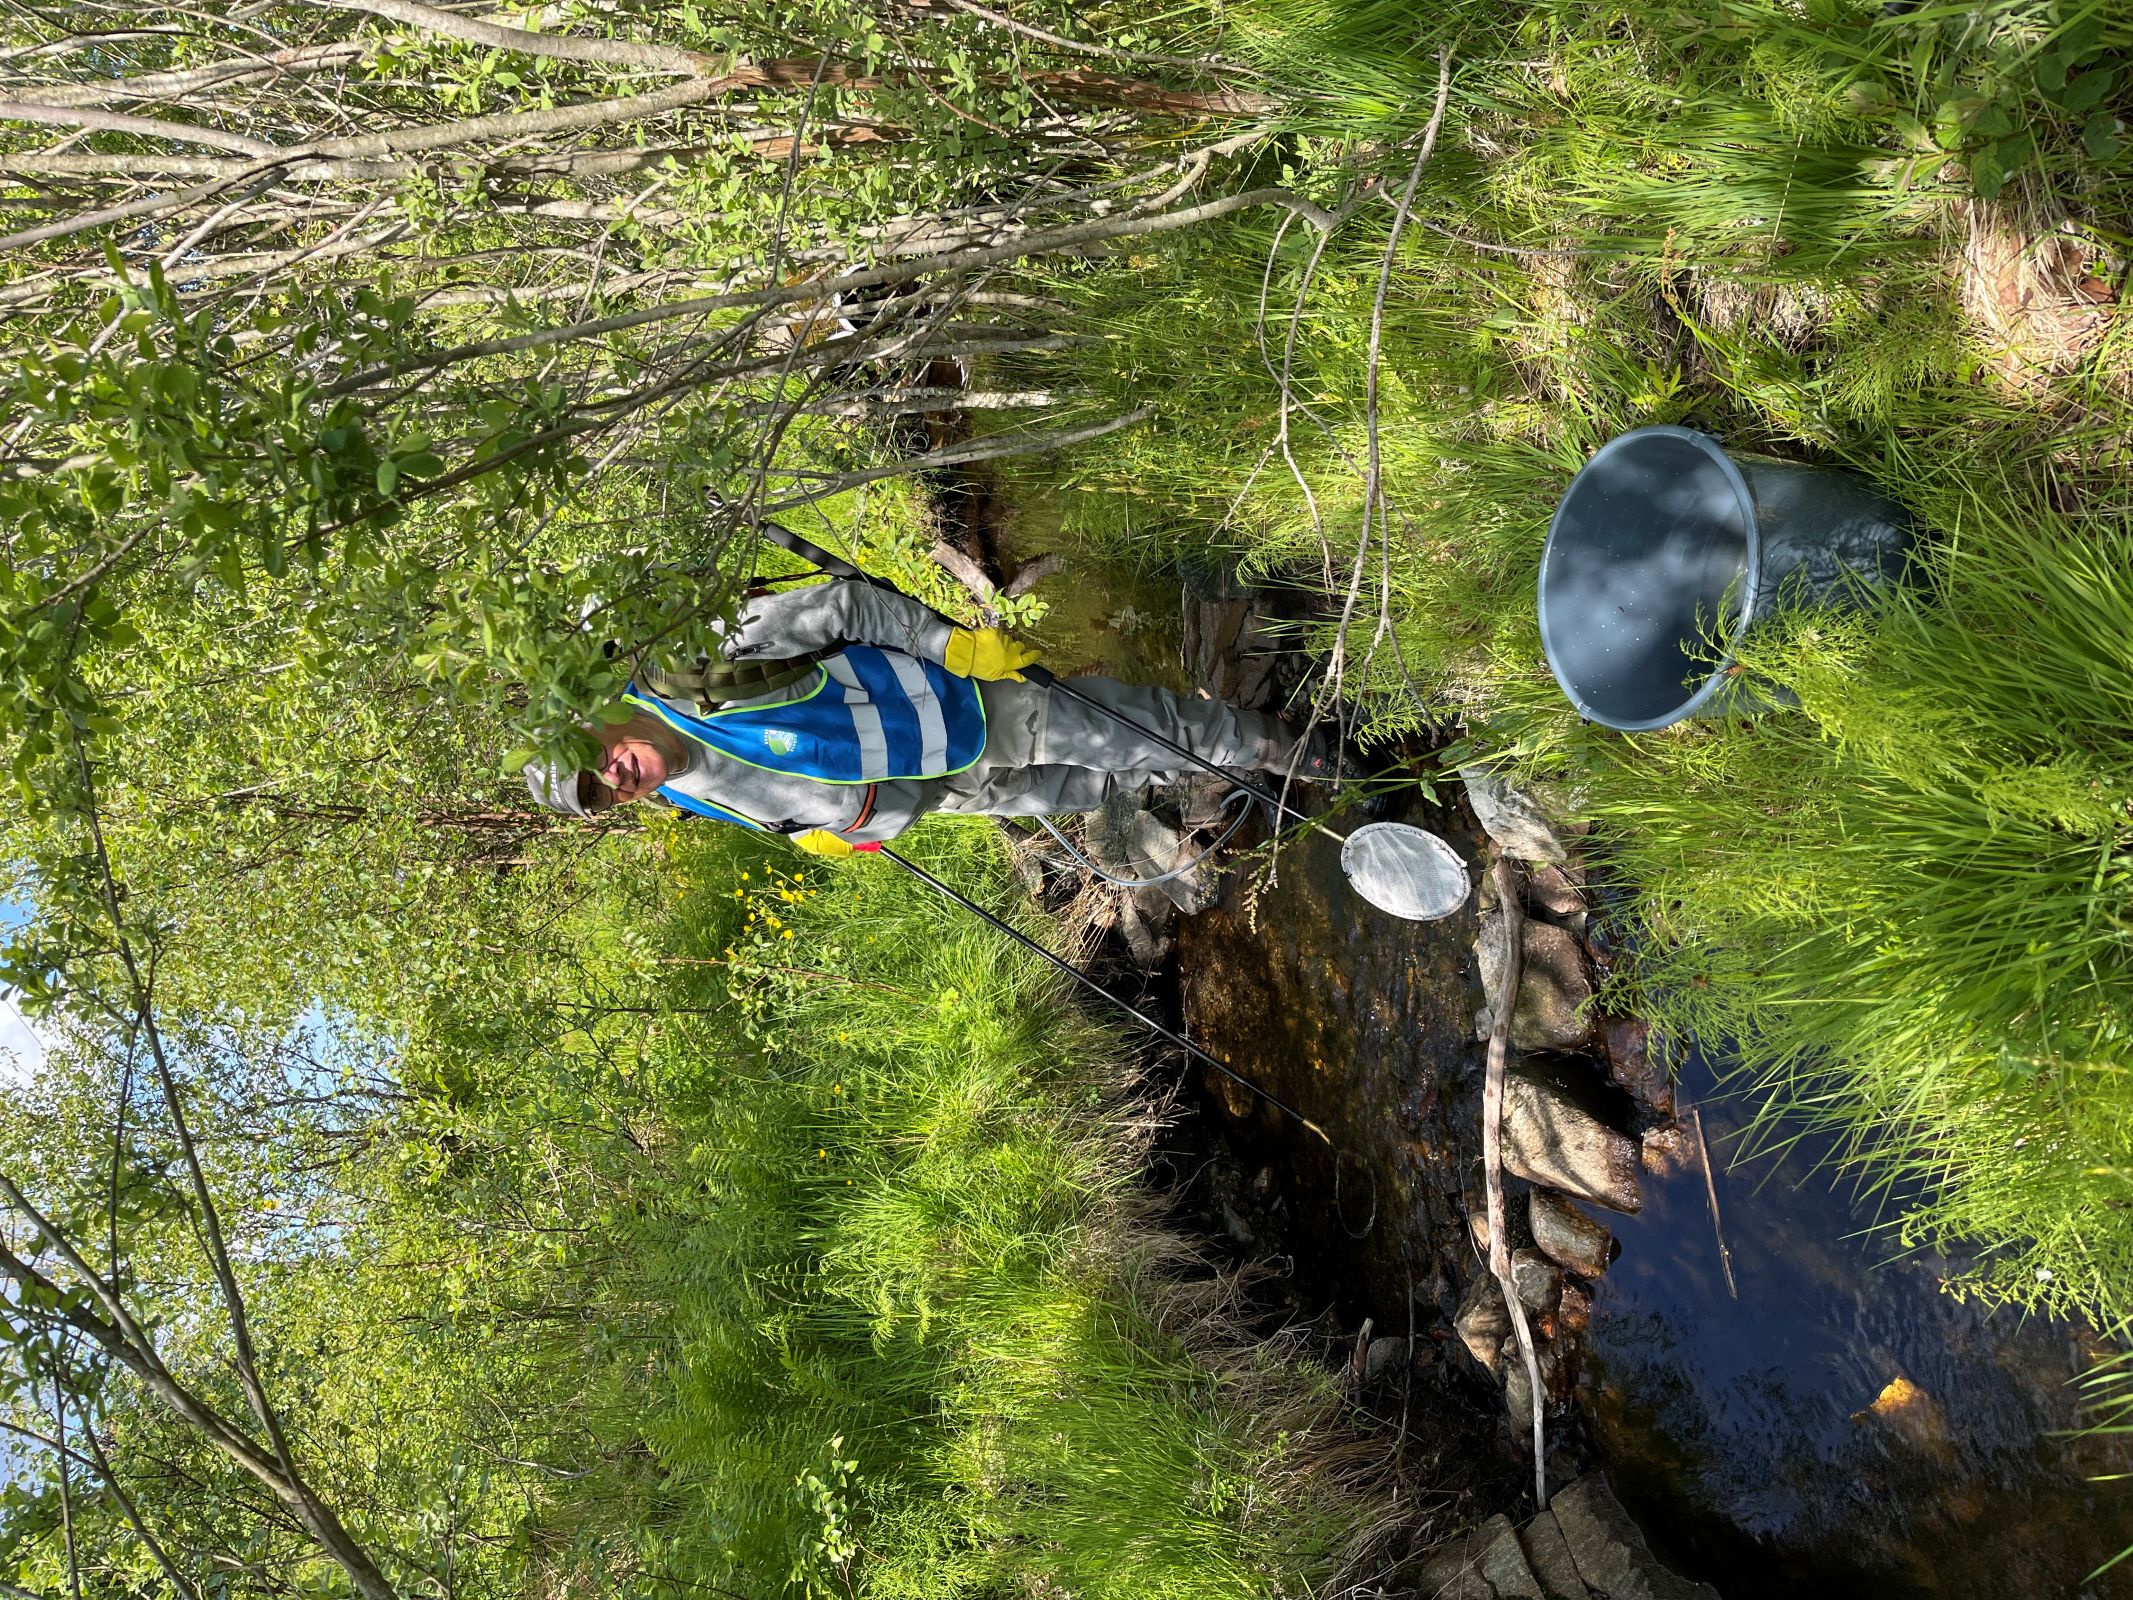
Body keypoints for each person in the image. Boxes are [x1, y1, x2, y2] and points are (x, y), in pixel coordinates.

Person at [522, 578, 1333, 854]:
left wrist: (952, 646)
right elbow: (786, 804)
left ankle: (1289, 752)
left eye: (597, 764)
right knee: (1115, 780)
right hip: (950, 795)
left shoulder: (691, 668)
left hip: (967, 705)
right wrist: (835, 834)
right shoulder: (677, 792)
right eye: (603, 799)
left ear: (596, 717)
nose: (615, 783)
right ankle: (1236, 765)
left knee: (1145, 729)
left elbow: (841, 607)